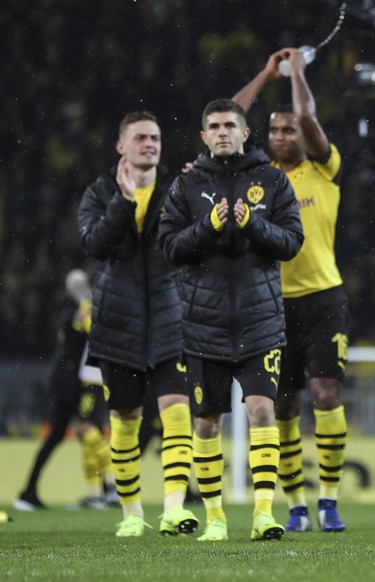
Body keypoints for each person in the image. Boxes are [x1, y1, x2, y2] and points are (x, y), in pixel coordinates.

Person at [159, 98, 304, 542]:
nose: (222, 132)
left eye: (230, 125)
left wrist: (252, 225)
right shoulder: (185, 187)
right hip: (204, 326)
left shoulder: (273, 180)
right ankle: (216, 518)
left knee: (262, 411)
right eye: (214, 126)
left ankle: (263, 513)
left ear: (245, 133)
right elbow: (168, 247)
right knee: (206, 423)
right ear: (204, 136)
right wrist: (208, 227)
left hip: (260, 323)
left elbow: (292, 241)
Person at [233, 47, 350, 533]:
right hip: (271, 302)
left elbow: (307, 115)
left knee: (326, 395)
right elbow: (229, 118)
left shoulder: (323, 166)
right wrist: (265, 73)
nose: (283, 134)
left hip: (324, 298)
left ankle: (329, 499)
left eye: (289, 129)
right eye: (275, 130)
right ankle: (296, 503)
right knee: (283, 407)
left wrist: (297, 75)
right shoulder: (256, 178)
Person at [78, 112, 198, 538]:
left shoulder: (176, 188)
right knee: (125, 420)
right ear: (121, 146)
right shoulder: (99, 191)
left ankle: (173, 509)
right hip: (118, 323)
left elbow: (188, 244)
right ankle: (131, 514)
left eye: (155, 138)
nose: (150, 144)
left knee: (176, 413)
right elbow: (96, 245)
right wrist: (124, 201)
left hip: (170, 317)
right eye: (141, 138)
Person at [14, 269, 116, 512]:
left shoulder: (76, 306)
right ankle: (111, 486)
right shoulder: (77, 307)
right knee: (73, 432)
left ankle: (98, 493)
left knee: (84, 433)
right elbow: (84, 328)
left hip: (77, 380)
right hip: (71, 382)